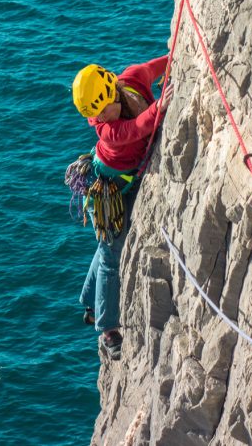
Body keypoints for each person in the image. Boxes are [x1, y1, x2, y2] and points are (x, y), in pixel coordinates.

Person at [69, 56, 172, 360]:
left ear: (112, 90)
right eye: (96, 115)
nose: (101, 118)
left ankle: (90, 301)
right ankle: (106, 328)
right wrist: (159, 106)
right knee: (111, 255)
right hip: (107, 192)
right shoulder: (109, 132)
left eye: (102, 111)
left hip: (121, 182)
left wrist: (177, 57)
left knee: (106, 248)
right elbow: (137, 128)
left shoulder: (132, 80)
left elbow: (160, 64)